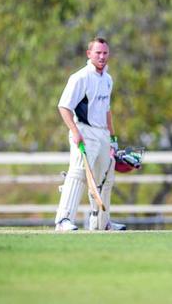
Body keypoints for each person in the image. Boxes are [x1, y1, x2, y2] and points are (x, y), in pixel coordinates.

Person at [55, 37, 125, 231]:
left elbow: (107, 111)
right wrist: (75, 132)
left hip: (102, 134)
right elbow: (63, 107)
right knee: (77, 174)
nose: (102, 57)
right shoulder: (80, 77)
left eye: (105, 53)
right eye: (98, 53)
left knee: (105, 178)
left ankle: (102, 223)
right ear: (89, 54)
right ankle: (63, 220)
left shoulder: (108, 79)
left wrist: (113, 139)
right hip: (83, 131)